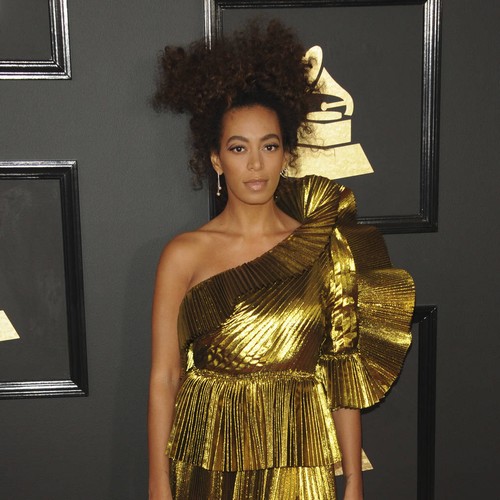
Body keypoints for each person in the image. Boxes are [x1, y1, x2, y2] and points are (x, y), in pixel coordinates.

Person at [148, 20, 415, 500]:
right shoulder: (183, 255)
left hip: (299, 467)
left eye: (269, 146)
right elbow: (165, 377)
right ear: (216, 159)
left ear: (287, 154)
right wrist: (158, 486)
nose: (255, 164)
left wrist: (353, 482)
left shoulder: (323, 246)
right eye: (238, 148)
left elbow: (340, 371)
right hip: (208, 467)